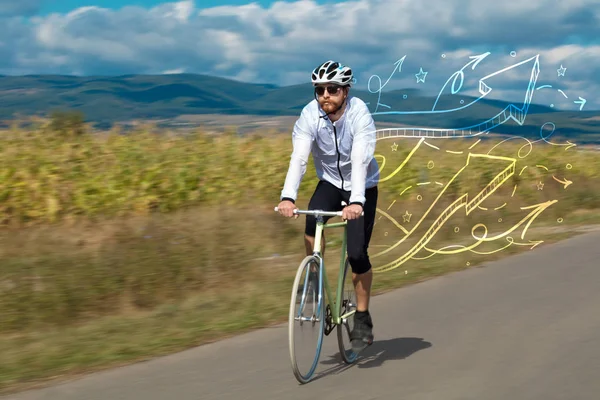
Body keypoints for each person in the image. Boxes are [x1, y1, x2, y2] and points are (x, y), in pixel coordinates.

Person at [276, 60, 380, 353]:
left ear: (345, 91)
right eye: (319, 90)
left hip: (364, 187)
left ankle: (362, 317)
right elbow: (299, 157)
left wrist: (357, 201)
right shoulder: (310, 115)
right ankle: (314, 276)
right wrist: (288, 196)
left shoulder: (360, 115)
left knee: (357, 254)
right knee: (312, 221)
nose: (325, 95)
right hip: (332, 182)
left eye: (332, 89)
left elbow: (360, 159)